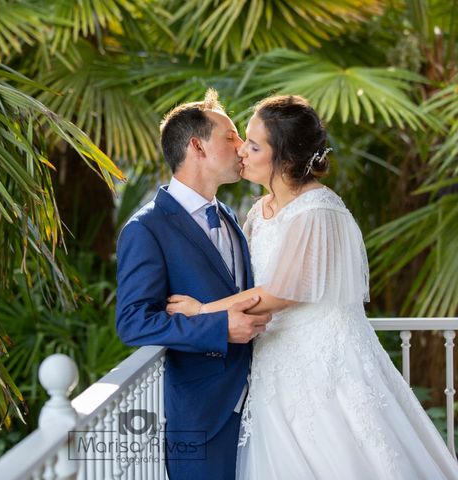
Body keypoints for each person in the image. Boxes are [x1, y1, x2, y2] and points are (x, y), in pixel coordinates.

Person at [166, 94, 458, 479]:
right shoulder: (258, 211)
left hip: (323, 367)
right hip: (275, 365)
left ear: (284, 158)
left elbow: (279, 293)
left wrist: (202, 311)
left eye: (253, 145)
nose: (242, 152)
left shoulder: (317, 210)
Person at [115, 89, 272, 480]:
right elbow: (133, 322)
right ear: (197, 146)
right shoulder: (146, 228)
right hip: (202, 415)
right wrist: (218, 327)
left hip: (262, 404)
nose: (241, 147)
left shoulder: (231, 217)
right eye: (231, 137)